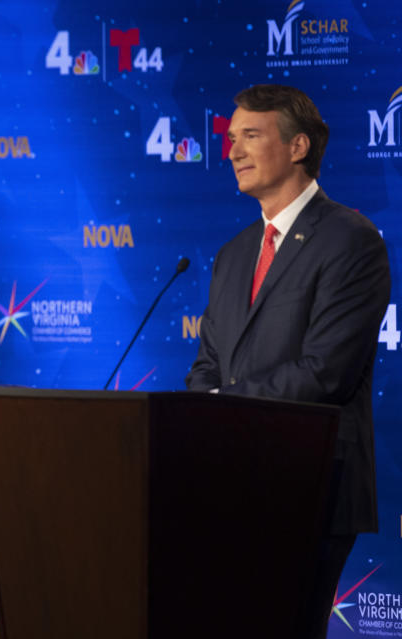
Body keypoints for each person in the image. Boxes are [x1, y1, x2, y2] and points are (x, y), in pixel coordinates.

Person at [186, 85, 390, 638]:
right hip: (227, 483)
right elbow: (208, 363)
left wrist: (216, 407)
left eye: (250, 136)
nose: (232, 151)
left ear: (298, 146)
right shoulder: (232, 254)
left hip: (310, 483)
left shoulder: (351, 240)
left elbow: (326, 371)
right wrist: (202, 412)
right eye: (231, 139)